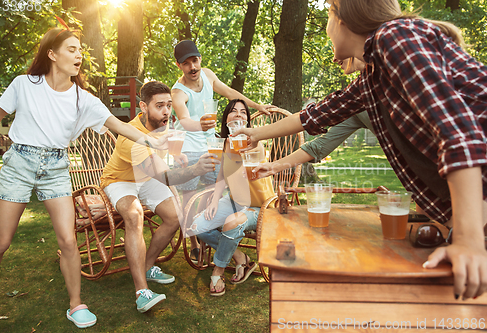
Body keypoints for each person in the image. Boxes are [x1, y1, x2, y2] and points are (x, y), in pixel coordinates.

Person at [235, 0, 487, 300]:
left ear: (340, 16)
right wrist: (255, 134)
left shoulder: (393, 37)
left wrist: (469, 242)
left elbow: (459, 134)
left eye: (327, 15)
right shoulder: (372, 78)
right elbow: (314, 116)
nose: (326, 30)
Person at [0, 27, 168, 330]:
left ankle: (76, 304)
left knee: (69, 240)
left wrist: (152, 141)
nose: (79, 55)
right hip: (19, 162)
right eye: (71, 49)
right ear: (52, 54)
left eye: (80, 50)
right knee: (1, 242)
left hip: (55, 167)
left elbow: (118, 126)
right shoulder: (24, 85)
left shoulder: (83, 99)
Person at [100, 81, 218, 313]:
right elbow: (164, 177)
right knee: (134, 217)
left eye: (169, 105)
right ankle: (141, 292)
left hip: (145, 179)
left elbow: (161, 151)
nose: (166, 111)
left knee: (175, 216)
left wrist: (178, 153)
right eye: (159, 106)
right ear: (143, 106)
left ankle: (147, 265)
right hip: (119, 180)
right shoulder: (129, 137)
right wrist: (195, 170)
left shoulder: (163, 125)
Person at [171, 40, 274, 260]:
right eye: (186, 63)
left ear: (200, 59)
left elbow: (230, 93)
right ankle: (194, 242)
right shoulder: (178, 92)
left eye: (195, 60)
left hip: (213, 146)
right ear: (179, 65)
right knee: (189, 199)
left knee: (212, 198)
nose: (193, 67)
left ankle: (216, 240)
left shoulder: (207, 75)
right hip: (189, 150)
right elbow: (185, 120)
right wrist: (200, 125)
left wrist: (256, 106)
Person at [187, 99, 275, 296]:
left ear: (248, 120)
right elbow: (221, 175)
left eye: (243, 112)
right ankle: (240, 257)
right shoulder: (225, 143)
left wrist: (246, 157)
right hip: (235, 200)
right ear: (226, 118)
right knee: (198, 226)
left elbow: (256, 152)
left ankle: (218, 270)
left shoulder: (254, 142)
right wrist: (216, 199)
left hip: (260, 205)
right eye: (233, 111)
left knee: (231, 223)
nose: (238, 114)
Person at [254, 56, 375, 178]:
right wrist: (273, 167)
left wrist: (254, 134)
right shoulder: (356, 99)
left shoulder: (388, 68)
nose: (333, 59)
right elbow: (318, 144)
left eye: (335, 46)